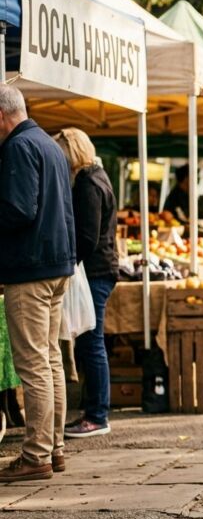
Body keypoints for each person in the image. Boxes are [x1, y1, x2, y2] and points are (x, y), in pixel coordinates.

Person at [0, 85, 75, 482]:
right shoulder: (49, 144)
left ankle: (36, 455)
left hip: (30, 267)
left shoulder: (17, 147)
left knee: (34, 365)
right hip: (56, 264)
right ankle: (54, 447)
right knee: (49, 359)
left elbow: (18, 209)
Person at [55, 129, 118, 439]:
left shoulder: (88, 183)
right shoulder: (100, 176)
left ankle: (97, 415)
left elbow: (88, 238)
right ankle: (95, 411)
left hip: (95, 271)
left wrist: (68, 261)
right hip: (102, 269)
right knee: (93, 340)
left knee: (92, 342)